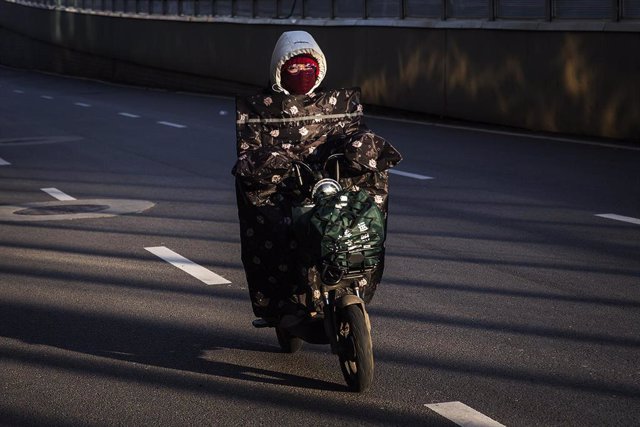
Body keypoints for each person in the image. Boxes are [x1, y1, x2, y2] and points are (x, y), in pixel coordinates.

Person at [232, 31, 401, 324]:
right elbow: (251, 153)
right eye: (293, 68)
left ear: (319, 68)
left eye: (307, 67)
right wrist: (272, 163)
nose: (301, 73)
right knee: (275, 232)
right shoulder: (261, 110)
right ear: (279, 71)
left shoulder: (337, 106)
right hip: (288, 188)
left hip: (328, 184)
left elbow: (353, 133)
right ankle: (282, 303)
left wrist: (360, 147)